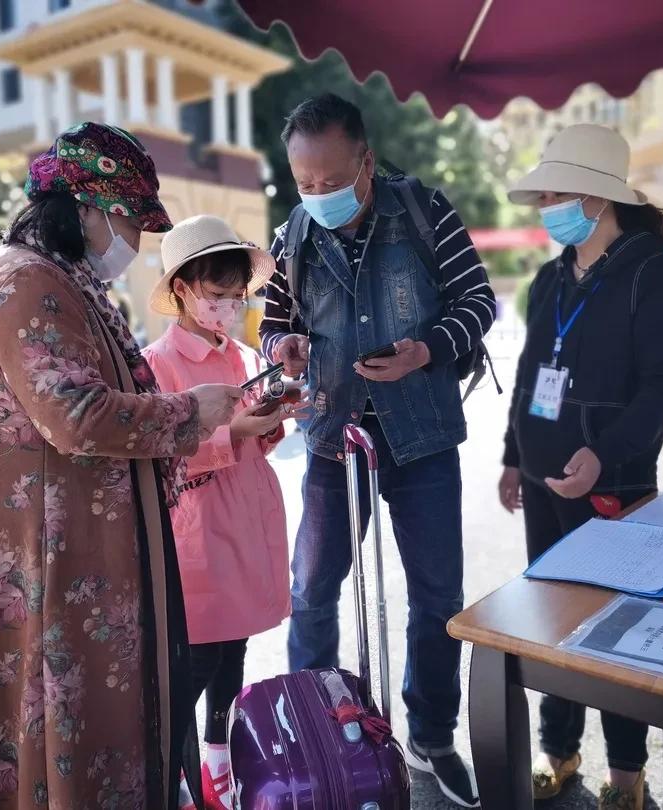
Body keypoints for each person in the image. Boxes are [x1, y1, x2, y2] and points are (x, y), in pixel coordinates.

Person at [0, 122, 242, 810]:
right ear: (87, 209)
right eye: (129, 220)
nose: (133, 239)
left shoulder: (56, 277)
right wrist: (188, 411)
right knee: (65, 728)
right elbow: (74, 415)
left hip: (74, 543)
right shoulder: (24, 283)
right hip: (52, 554)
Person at [259, 93, 496, 808]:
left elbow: (479, 302)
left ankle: (432, 736)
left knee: (438, 595)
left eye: (332, 180)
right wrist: (283, 346)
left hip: (422, 435)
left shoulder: (424, 210)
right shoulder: (292, 234)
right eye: (305, 182)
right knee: (312, 593)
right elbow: (272, 323)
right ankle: (314, 735)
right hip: (332, 439)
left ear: (366, 162)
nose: (319, 194)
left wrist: (427, 349)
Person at [499, 124, 663, 810]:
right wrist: (513, 456)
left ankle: (627, 773)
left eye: (556, 195)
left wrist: (604, 453)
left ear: (597, 196)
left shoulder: (654, 274)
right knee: (556, 623)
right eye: (544, 196)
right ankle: (559, 751)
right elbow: (530, 374)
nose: (547, 208)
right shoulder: (550, 278)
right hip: (545, 483)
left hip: (616, 484)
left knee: (615, 630)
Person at [142, 215, 305, 809]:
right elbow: (161, 453)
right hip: (201, 528)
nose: (230, 308)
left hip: (246, 516)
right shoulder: (157, 363)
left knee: (234, 647)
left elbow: (255, 438)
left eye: (238, 296)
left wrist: (270, 420)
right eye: (217, 294)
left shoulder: (242, 355)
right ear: (182, 289)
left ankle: (218, 758)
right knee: (197, 657)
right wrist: (233, 431)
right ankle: (169, 772)